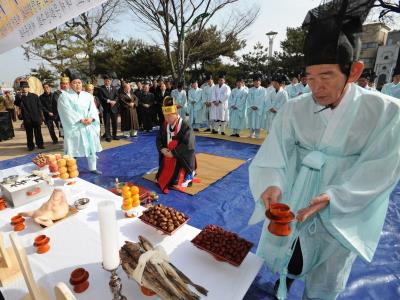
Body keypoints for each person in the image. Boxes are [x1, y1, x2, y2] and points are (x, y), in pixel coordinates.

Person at [249, 1, 400, 299]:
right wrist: (272, 185)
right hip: (296, 195)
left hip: (343, 206)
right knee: (290, 254)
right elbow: (275, 153)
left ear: (354, 71)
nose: (316, 88)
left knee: (327, 277)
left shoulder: (386, 112)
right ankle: (286, 281)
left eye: (326, 76)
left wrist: (335, 197)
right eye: (310, 78)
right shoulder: (294, 109)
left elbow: (382, 166)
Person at [57, 70, 102, 175]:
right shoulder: (64, 96)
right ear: (70, 84)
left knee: (91, 147)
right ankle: (71, 169)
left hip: (88, 126)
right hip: (75, 126)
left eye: (79, 83)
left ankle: (93, 167)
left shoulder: (88, 95)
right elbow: (66, 111)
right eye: (75, 83)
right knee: (73, 148)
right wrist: (80, 119)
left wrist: (91, 119)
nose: (77, 85)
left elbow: (93, 109)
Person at [156, 96, 196, 193]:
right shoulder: (165, 125)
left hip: (181, 157)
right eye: (165, 116)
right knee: (160, 177)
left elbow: (188, 144)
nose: (167, 118)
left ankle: (189, 173)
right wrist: (162, 149)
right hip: (168, 155)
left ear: (176, 113)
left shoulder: (185, 126)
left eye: (169, 116)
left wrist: (173, 153)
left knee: (175, 180)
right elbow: (159, 139)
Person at [14, 81, 44, 151]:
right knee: (29, 133)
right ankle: (30, 146)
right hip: (27, 119)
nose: (24, 88)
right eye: (23, 87)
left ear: (28, 88)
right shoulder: (20, 97)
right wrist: (19, 96)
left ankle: (40, 144)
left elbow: (39, 107)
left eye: (26, 87)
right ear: (21, 88)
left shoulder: (34, 96)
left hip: (36, 117)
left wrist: (41, 117)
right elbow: (16, 103)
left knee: (38, 132)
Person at [98, 74, 119, 142]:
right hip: (106, 108)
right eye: (106, 81)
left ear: (110, 81)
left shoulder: (114, 88)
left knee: (114, 122)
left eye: (109, 81)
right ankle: (108, 136)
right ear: (104, 81)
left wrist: (115, 101)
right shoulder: (101, 89)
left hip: (114, 108)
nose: (107, 82)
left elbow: (117, 96)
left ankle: (115, 135)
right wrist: (109, 101)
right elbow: (101, 97)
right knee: (107, 123)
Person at [52, 74, 70, 138]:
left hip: (72, 117)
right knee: (64, 134)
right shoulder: (57, 93)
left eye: (66, 83)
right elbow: (59, 104)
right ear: (60, 84)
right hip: (61, 117)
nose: (65, 85)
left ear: (69, 84)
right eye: (63, 83)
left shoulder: (72, 93)